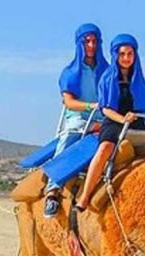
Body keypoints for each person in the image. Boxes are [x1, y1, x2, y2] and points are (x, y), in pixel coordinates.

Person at [75, 34, 145, 211]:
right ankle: (85, 196)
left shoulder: (139, 80)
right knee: (104, 149)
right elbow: (105, 108)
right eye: (123, 54)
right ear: (116, 55)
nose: (126, 58)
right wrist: (122, 118)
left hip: (139, 124)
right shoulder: (108, 78)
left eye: (130, 54)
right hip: (114, 122)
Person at [43, 23, 110, 218]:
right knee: (70, 136)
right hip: (80, 118)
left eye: (95, 41)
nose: (91, 45)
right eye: (87, 41)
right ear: (79, 44)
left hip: (104, 118)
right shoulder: (70, 72)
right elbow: (68, 101)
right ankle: (52, 190)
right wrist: (91, 106)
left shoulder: (107, 71)